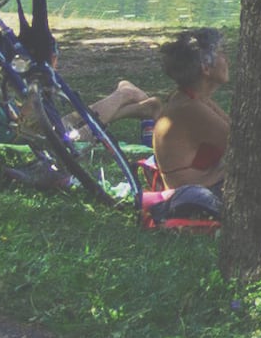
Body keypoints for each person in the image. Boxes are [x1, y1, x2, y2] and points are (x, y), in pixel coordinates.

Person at [94, 30, 231, 220]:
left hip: (207, 186)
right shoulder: (190, 108)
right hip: (201, 196)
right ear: (206, 68)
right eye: (222, 53)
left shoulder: (193, 99)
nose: (227, 58)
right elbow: (243, 145)